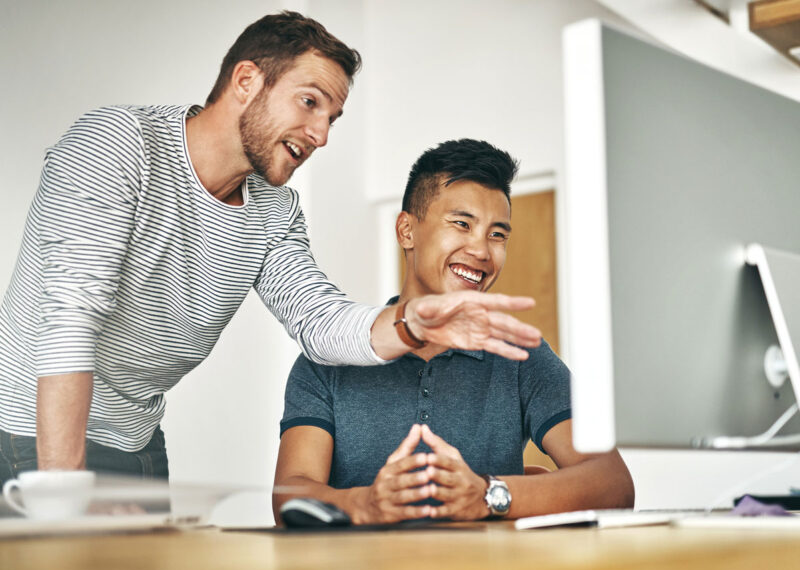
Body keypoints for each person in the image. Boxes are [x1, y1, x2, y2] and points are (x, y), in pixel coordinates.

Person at [0, 13, 542, 485]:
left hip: (137, 443)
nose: (322, 134)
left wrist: (412, 324)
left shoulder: (273, 211)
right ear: (245, 80)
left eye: (332, 117)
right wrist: (61, 491)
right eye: (310, 103)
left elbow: (320, 321)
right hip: (28, 435)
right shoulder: (118, 144)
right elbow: (69, 320)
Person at [273, 139, 634, 523]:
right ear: (406, 231)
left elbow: (614, 484)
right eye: (462, 224)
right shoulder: (327, 358)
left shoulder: (520, 356)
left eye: (497, 235)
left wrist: (490, 495)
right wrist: (365, 505)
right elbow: (289, 496)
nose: (482, 251)